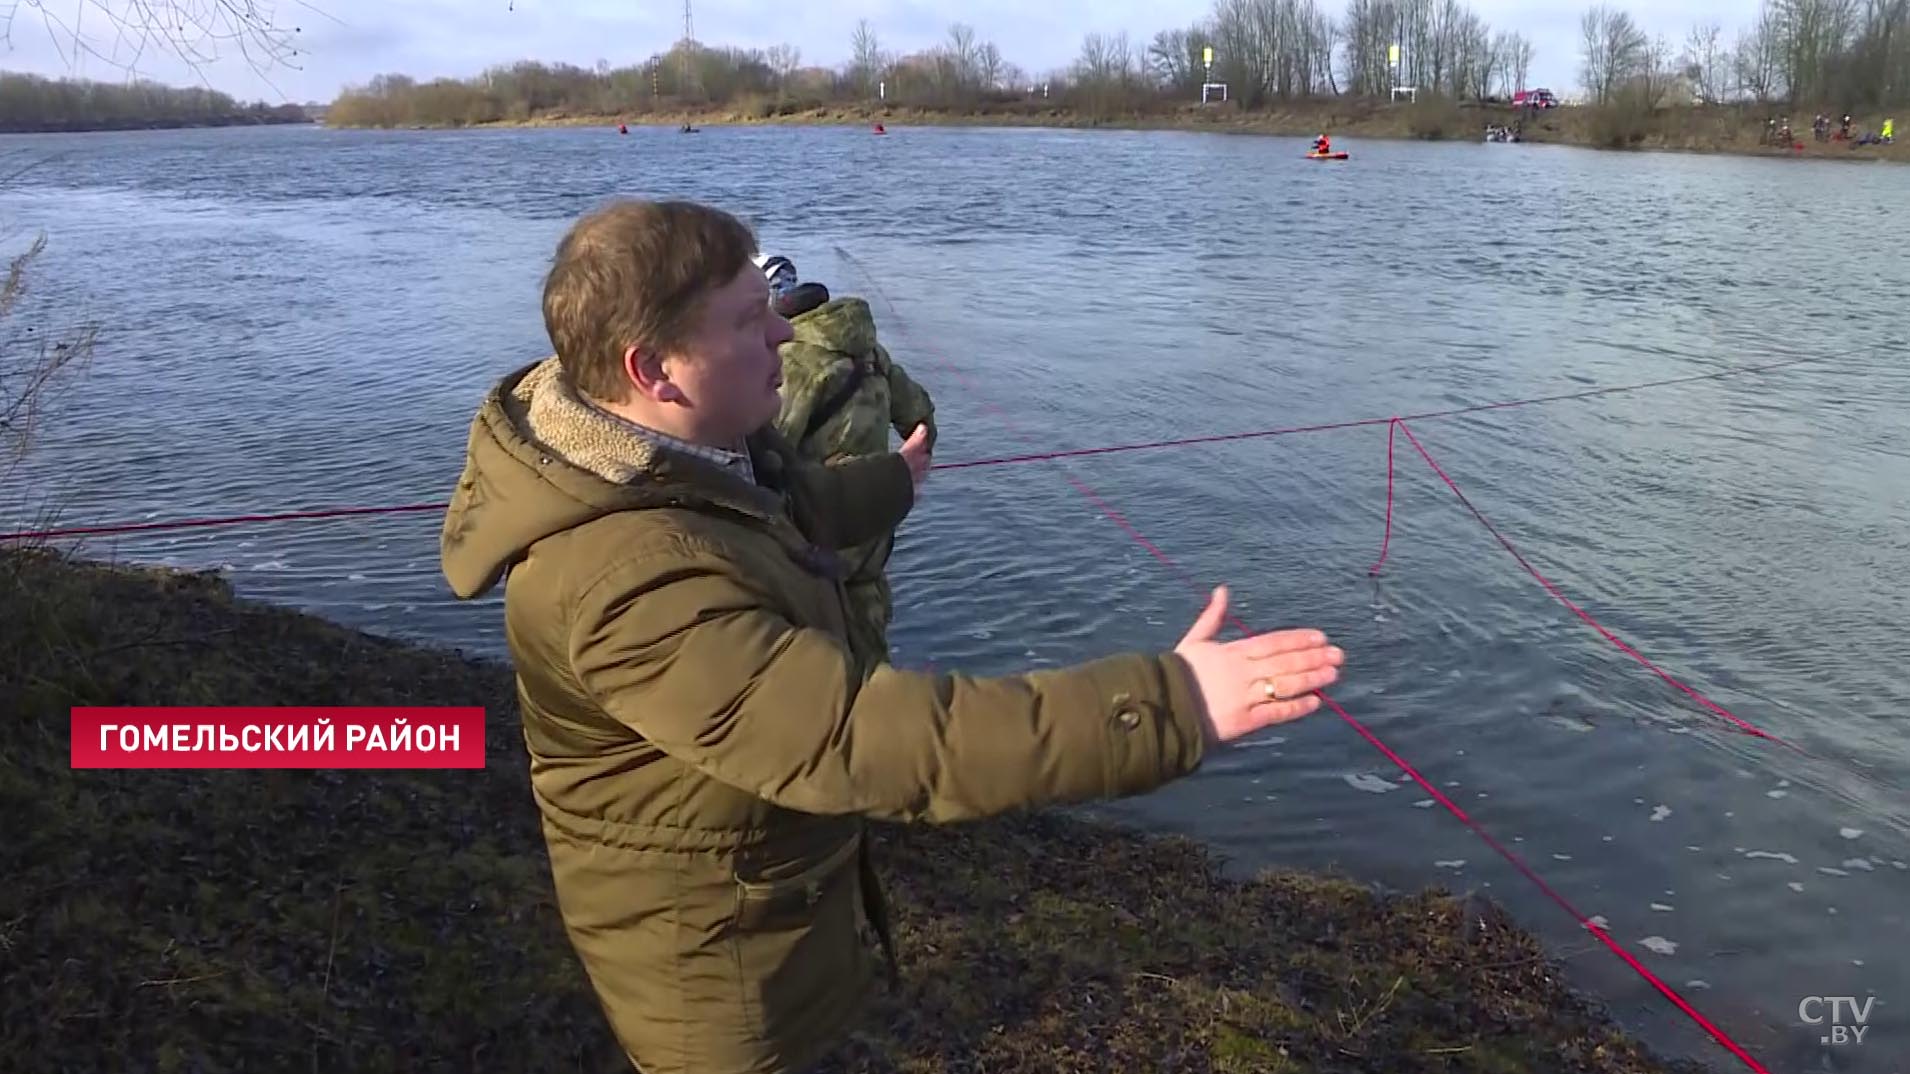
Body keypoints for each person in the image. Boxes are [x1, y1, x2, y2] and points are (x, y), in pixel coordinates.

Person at [438, 198, 1345, 1074]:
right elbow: (866, 738)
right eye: (751, 319)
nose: (786, 334)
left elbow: (787, 506)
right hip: (714, 982)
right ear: (654, 371)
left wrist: (894, 483)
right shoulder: (624, 584)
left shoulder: (678, 450)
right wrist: (1170, 705)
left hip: (771, 907)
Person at [755, 251, 935, 664]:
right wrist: (905, 474)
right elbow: (921, 418)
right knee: (869, 639)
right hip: (873, 527)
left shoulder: (792, 362)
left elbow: (767, 454)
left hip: (817, 530)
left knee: (817, 654)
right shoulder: (871, 351)